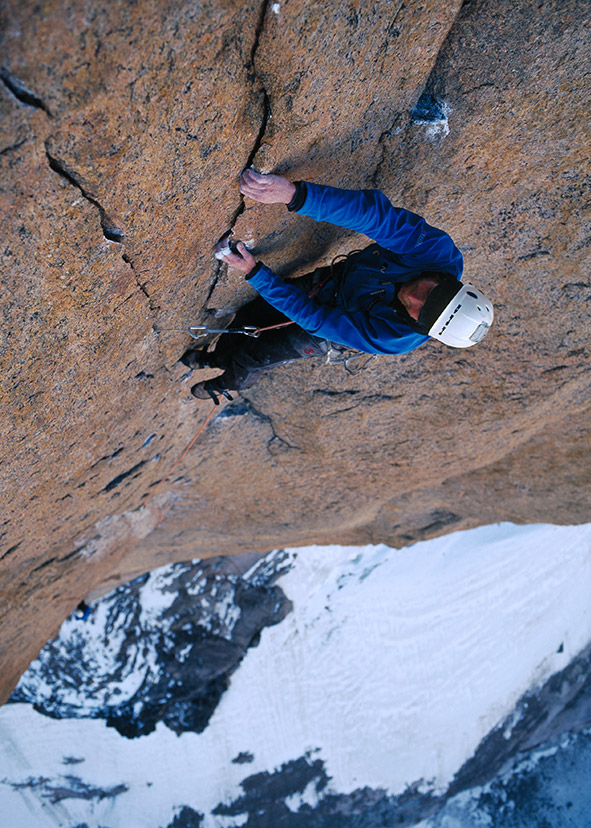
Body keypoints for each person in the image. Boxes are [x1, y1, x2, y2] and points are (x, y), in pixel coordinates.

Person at [184, 169, 493, 403]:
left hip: (332, 329)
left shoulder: (396, 338)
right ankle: (215, 359)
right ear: (446, 281)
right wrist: (295, 195)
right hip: (334, 282)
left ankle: (225, 383)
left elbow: (317, 320)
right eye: (428, 292)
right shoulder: (437, 253)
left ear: (422, 328)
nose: (413, 297)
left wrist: (254, 272)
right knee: (251, 317)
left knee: (260, 353)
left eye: (417, 312)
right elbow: (374, 218)